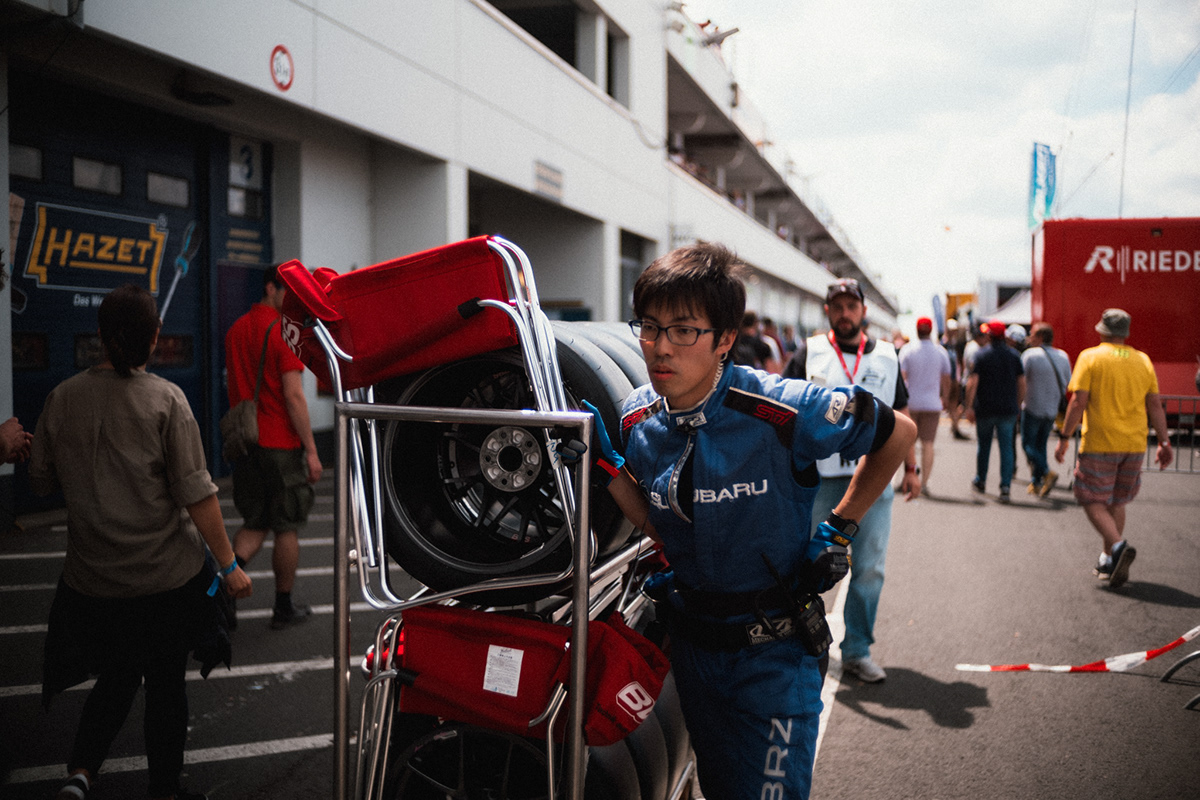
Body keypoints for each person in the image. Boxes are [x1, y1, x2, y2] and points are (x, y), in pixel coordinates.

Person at [592, 244, 915, 799]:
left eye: (683, 330)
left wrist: (839, 527)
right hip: (694, 657)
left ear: (723, 340)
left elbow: (900, 433)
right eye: (649, 327)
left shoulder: (783, 407)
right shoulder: (637, 419)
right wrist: (607, 469)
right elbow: (660, 525)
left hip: (776, 656)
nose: (659, 347)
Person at [30, 284, 252, 800]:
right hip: (164, 582)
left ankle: (80, 775)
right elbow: (198, 495)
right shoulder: (166, 400)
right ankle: (164, 788)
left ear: (101, 338)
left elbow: (40, 483)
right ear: (154, 339)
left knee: (115, 676)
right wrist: (227, 566)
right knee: (165, 686)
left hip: (93, 582)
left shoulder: (61, 398)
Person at [783, 278, 920, 683]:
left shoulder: (888, 356)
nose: (845, 313)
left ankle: (857, 650)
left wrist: (910, 467)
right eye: (837, 306)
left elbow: (901, 412)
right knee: (803, 564)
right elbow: (783, 408)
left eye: (851, 305)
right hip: (816, 480)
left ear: (863, 310)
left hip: (874, 480)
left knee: (870, 569)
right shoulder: (809, 352)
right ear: (828, 310)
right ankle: (799, 647)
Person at [224, 265, 323, 629]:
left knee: (256, 520)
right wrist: (312, 450)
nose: (294, 303)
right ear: (271, 288)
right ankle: (283, 607)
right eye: (289, 294)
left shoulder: (235, 330)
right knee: (287, 525)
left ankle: (222, 592)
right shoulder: (284, 333)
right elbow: (294, 396)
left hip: (246, 442)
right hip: (280, 443)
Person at [1054, 309, 1172, 588]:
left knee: (1090, 498)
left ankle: (1117, 547)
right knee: (1117, 502)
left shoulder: (1090, 357)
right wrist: (1164, 442)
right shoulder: (1142, 360)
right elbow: (1155, 404)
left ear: (1102, 330)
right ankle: (1108, 559)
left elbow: (1078, 401)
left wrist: (1064, 436)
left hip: (1100, 442)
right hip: (1134, 443)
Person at [964, 320, 1025, 502]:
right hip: (1007, 409)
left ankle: (981, 480)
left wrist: (968, 406)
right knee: (1006, 448)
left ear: (989, 335)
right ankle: (1005, 486)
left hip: (985, 409)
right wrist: (1018, 404)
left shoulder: (981, 355)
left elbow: (972, 383)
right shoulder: (1014, 356)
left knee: (984, 446)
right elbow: (1022, 383)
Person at [899, 317, 952, 495]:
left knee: (907, 443)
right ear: (930, 331)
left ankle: (908, 477)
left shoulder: (907, 350)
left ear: (916, 330)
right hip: (932, 403)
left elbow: (902, 377)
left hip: (910, 403)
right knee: (928, 443)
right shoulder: (941, 352)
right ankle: (924, 483)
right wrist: (944, 397)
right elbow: (946, 379)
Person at [1021, 323, 1072, 496]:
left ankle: (1046, 472)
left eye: (1033, 335)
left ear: (1041, 337)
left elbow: (1021, 379)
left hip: (1031, 406)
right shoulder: (1063, 356)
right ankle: (1036, 483)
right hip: (1051, 409)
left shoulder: (1030, 355)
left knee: (1028, 444)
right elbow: (1067, 381)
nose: (1030, 338)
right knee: (1040, 445)